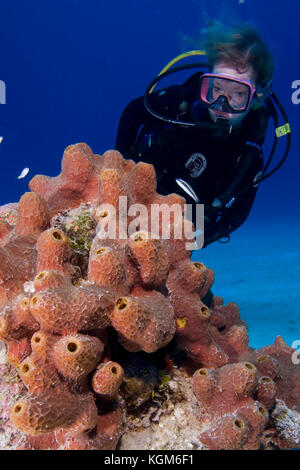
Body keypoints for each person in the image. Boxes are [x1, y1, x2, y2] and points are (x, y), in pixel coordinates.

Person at [115, 21, 274, 247]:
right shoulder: (181, 103)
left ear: (256, 97)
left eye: (238, 94)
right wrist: (121, 167)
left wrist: (191, 243)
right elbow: (133, 112)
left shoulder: (248, 155)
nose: (221, 104)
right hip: (130, 202)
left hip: (177, 233)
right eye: (217, 88)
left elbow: (237, 215)